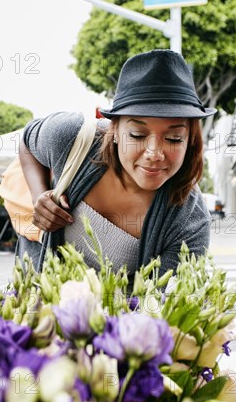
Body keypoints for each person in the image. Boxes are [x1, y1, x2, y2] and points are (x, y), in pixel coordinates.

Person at [19, 49, 216, 280]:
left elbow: (164, 306)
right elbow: (27, 141)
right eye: (137, 135)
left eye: (174, 139)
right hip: (37, 307)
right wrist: (39, 197)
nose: (154, 154)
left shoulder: (190, 219)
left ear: (189, 141)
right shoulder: (71, 137)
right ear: (114, 131)